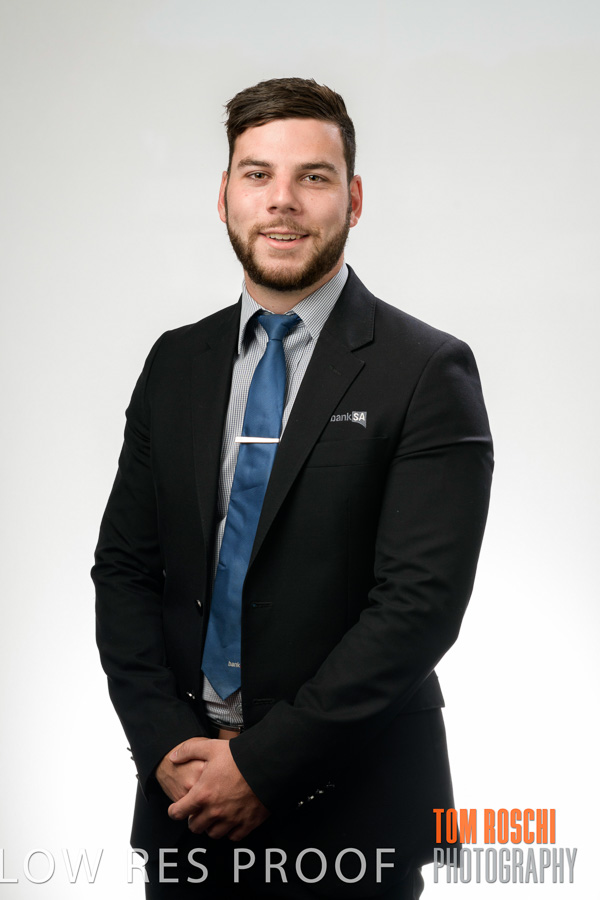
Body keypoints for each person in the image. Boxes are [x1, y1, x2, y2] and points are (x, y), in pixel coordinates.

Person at [92, 77, 493, 899]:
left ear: (353, 199)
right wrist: (164, 745)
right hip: (186, 803)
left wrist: (262, 767)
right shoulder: (175, 363)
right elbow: (125, 571)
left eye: (313, 177)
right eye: (257, 175)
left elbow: (418, 607)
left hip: (355, 811)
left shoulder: (426, 370)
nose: (282, 201)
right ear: (224, 196)